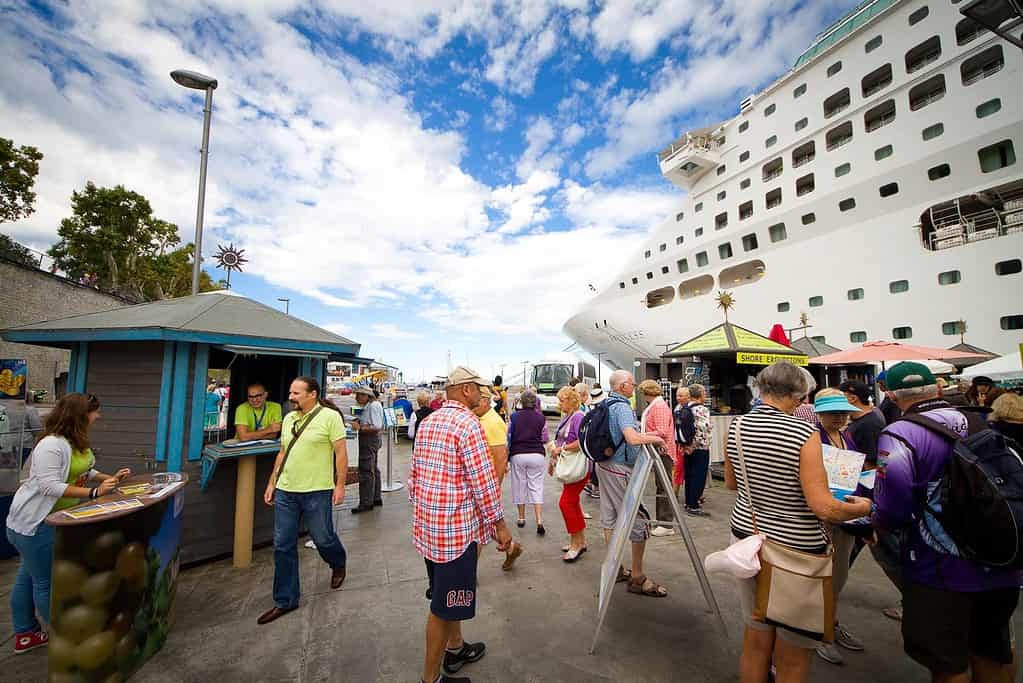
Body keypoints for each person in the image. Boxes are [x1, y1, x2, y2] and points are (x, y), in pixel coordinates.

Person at [872, 361, 1021, 683]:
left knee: (948, 663)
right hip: (1003, 554)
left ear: (893, 396)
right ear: (938, 389)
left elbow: (892, 507)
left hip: (941, 567)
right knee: (993, 651)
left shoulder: (900, 433)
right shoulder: (984, 420)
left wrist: (871, 517)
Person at [723, 361, 872, 683]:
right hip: (795, 550)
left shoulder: (736, 426)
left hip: (747, 541)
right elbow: (824, 508)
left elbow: (732, 484)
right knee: (793, 650)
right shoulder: (803, 432)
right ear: (796, 395)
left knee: (756, 633)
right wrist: (863, 508)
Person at [409, 366, 514, 683]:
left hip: (430, 528)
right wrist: (500, 524)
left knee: (443, 596)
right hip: (455, 533)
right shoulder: (469, 424)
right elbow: (483, 484)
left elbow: (415, 475)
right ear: (466, 389)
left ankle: (456, 648)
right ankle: (431, 679)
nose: (483, 394)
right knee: (442, 608)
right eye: (480, 389)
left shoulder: (430, 420)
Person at [6, 393, 131, 653]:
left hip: (52, 521)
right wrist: (95, 493)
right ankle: (67, 638)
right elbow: (48, 485)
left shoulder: (74, 442)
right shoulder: (51, 445)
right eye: (95, 412)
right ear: (81, 414)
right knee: (45, 583)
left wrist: (110, 478)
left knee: (28, 577)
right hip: (36, 523)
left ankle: (25, 633)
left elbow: (85, 470)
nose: (99, 416)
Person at [259, 377, 349, 625]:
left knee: (323, 538)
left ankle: (338, 562)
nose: (292, 396)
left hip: (317, 490)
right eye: (291, 392)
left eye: (297, 392)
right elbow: (283, 452)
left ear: (313, 394)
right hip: (287, 490)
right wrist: (271, 482)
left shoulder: (330, 417)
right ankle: (285, 599)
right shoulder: (289, 419)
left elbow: (341, 452)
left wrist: (339, 485)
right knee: (282, 545)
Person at [598, 370, 670, 597]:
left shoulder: (606, 403)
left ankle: (616, 568)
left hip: (605, 465)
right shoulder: (622, 407)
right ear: (622, 387)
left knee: (610, 519)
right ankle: (637, 577)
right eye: (631, 382)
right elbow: (632, 438)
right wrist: (657, 438)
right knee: (638, 518)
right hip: (620, 469)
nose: (634, 385)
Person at [811, 388, 866, 666]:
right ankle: (823, 633)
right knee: (822, 577)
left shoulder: (847, 436)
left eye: (843, 412)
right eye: (833, 412)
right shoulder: (811, 438)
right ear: (819, 413)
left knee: (839, 574)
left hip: (846, 516)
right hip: (820, 518)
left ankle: (830, 623)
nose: (839, 417)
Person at [472, 386, 522, 570]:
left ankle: (469, 573)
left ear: (485, 401)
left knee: (476, 530)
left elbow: (501, 457)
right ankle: (511, 547)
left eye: (477, 401)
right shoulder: (482, 419)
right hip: (483, 484)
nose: (473, 405)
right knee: (485, 524)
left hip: (487, 484)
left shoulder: (492, 422)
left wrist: (494, 488)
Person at [548, 385, 588, 561]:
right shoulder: (572, 416)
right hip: (572, 466)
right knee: (572, 503)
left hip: (576, 467)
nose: (559, 404)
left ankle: (576, 544)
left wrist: (560, 449)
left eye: (562, 400)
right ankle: (580, 541)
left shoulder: (578, 416)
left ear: (571, 400)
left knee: (566, 503)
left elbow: (581, 442)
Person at [639, 379, 678, 537]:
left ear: (647, 393)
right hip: (660, 450)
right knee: (662, 485)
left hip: (663, 451)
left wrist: (641, 434)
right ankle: (663, 521)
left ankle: (666, 523)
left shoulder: (659, 407)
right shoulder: (657, 405)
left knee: (664, 485)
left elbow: (661, 431)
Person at [507, 391, 548, 534]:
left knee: (519, 485)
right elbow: (545, 438)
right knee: (536, 486)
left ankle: (521, 518)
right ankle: (539, 520)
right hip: (537, 454)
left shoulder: (514, 417)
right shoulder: (541, 418)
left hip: (518, 454)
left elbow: (509, 436)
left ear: (522, 402)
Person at [351, 386, 384, 513]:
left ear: (366, 396)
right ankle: (375, 497)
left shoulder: (373, 405)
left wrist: (360, 427)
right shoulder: (372, 405)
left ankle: (366, 502)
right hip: (372, 439)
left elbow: (376, 426)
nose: (357, 397)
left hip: (369, 439)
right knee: (373, 468)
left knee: (366, 470)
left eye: (359, 395)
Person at [837, 380, 886, 466]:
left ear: (853, 399)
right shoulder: (857, 421)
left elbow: (875, 463)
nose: (837, 401)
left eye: (840, 397)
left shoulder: (869, 425)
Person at [682, 383, 713, 517]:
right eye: (704, 393)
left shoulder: (684, 407)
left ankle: (688, 501)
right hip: (699, 448)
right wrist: (694, 446)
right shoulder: (702, 409)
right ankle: (693, 505)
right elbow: (703, 429)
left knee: (689, 475)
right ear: (700, 395)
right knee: (699, 476)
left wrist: (687, 446)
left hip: (686, 447)